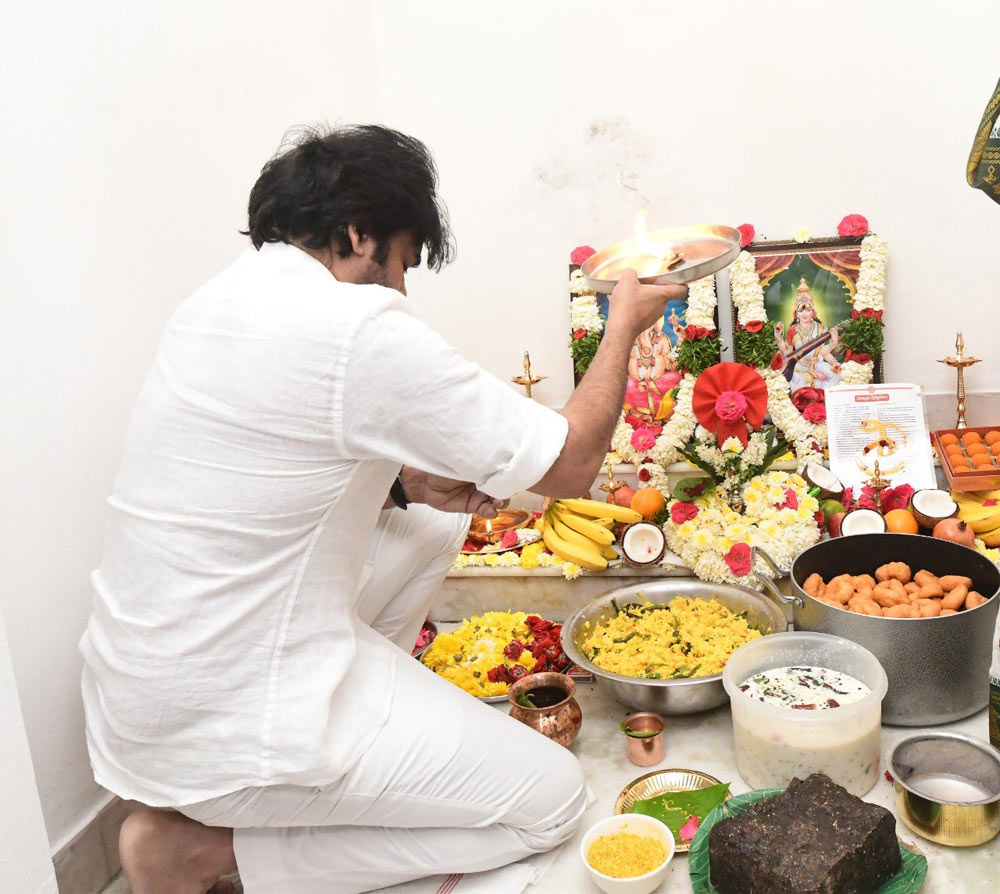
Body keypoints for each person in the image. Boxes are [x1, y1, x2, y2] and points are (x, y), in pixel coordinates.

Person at [80, 124, 685, 894]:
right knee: (550, 804)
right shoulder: (352, 326)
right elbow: (571, 463)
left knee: (431, 520)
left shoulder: (216, 300)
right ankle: (196, 854)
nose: (400, 289)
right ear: (358, 233)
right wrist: (622, 324)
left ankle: (372, 769)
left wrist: (406, 484)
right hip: (232, 720)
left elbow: (276, 464)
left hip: (150, 692)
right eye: (400, 261)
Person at [774, 277, 841, 393]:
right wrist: (778, 337)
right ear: (796, 314)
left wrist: (834, 361)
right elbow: (788, 354)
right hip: (798, 367)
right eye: (801, 311)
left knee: (836, 374)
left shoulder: (821, 328)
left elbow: (824, 353)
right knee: (799, 382)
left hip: (818, 364)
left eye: (808, 310)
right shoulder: (792, 330)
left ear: (813, 312)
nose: (804, 314)